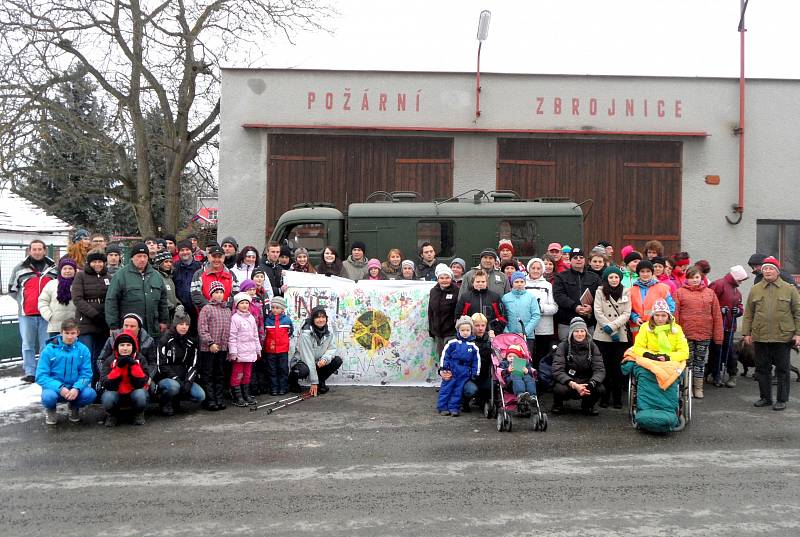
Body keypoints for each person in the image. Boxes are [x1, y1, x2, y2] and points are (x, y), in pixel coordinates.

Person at [741, 256, 800, 411]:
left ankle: (782, 399)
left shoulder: (790, 289)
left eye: (771, 268)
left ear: (777, 271)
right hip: (760, 336)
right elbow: (749, 313)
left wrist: (798, 334)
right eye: (765, 268)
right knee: (762, 369)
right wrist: (746, 332)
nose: (767, 271)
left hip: (783, 336)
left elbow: (798, 313)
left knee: (782, 369)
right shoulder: (755, 289)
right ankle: (765, 398)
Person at [622, 302, 689, 433]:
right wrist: (649, 355)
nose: (659, 318)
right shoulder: (646, 328)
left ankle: (667, 411)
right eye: (657, 315)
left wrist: (667, 357)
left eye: (663, 315)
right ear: (653, 316)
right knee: (645, 373)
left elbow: (684, 352)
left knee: (670, 375)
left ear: (668, 316)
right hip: (649, 360)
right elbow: (638, 347)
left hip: (670, 360)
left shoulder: (677, 329)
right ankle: (646, 410)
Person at [9, 240, 57, 382]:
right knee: (27, 344)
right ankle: (30, 372)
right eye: (34, 249)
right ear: (29, 251)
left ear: (44, 250)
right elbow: (12, 289)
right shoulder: (19, 268)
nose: (37, 252)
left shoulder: (53, 268)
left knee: (45, 345)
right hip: (26, 314)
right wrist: (23, 301)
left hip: (47, 314)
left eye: (39, 249)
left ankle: (42, 371)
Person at [674, 266, 723, 399]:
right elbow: (675, 314)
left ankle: (698, 388)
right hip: (685, 334)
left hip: (704, 333)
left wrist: (718, 336)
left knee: (700, 361)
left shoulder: (710, 293)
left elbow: (717, 315)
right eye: (691, 277)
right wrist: (675, 334)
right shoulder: (679, 293)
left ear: (701, 278)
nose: (694, 280)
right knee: (687, 362)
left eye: (697, 277)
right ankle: (687, 387)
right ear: (687, 279)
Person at [35, 318, 96, 425]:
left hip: (73, 389)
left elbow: (86, 374)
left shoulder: (83, 350)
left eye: (73, 333)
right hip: (54, 390)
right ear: (61, 332)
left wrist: (76, 388)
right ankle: (51, 409)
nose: (69, 336)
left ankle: (74, 406)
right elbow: (41, 376)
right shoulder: (49, 350)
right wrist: (60, 388)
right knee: (48, 397)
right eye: (66, 333)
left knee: (90, 394)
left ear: (78, 333)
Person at [106, 242, 169, 337]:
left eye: (145, 256)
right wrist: (113, 326)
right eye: (139, 256)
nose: (142, 259)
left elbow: (163, 301)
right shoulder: (121, 275)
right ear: (132, 257)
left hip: (152, 329)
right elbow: (111, 301)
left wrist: (163, 321)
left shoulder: (156, 276)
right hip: (128, 329)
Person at [592, 265, 631, 409]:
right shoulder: (600, 291)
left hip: (619, 335)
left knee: (618, 367)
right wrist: (609, 329)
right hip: (603, 334)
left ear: (620, 278)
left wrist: (613, 327)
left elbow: (627, 313)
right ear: (606, 279)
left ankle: (617, 397)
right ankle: (604, 397)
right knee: (604, 367)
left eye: (616, 277)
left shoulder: (626, 291)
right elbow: (598, 312)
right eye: (611, 277)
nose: (614, 280)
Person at [154, 306, 204, 416]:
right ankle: (165, 402)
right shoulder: (165, 340)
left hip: (183, 377)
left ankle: (176, 400)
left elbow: (194, 364)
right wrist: (176, 378)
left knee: (200, 395)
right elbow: (161, 365)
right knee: (173, 387)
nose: (184, 327)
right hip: (167, 378)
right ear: (175, 325)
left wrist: (188, 382)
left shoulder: (191, 341)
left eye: (186, 324)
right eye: (181, 324)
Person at [551, 317, 605, 416]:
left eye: (582, 331)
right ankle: (557, 404)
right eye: (576, 331)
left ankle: (588, 405)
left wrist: (591, 383)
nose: (579, 334)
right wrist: (573, 384)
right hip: (569, 381)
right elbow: (557, 370)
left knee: (600, 388)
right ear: (571, 332)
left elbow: (599, 369)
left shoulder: (592, 346)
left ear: (586, 332)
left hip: (586, 381)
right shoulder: (563, 346)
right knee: (559, 389)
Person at [72, 249, 111, 383]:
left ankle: (97, 383)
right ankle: (82, 384)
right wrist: (94, 314)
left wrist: (107, 316)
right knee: (86, 355)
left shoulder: (109, 277)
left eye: (100, 261)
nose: (98, 264)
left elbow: (111, 298)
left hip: (104, 322)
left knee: (101, 356)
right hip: (86, 321)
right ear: (89, 263)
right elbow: (77, 299)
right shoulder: (80, 276)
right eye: (94, 261)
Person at [708, 265, 748, 387]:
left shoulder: (737, 291)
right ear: (734, 277)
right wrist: (720, 310)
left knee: (730, 351)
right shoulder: (718, 285)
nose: (741, 282)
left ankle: (731, 374)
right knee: (716, 350)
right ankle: (715, 374)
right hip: (717, 325)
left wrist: (739, 311)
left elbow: (740, 306)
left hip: (730, 325)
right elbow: (709, 301)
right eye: (740, 280)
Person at [289, 306, 343, 396]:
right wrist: (314, 382)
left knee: (337, 360)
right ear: (312, 319)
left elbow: (332, 349)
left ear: (326, 318)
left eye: (323, 317)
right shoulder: (306, 333)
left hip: (318, 361)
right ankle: (292, 382)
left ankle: (320, 382)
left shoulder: (329, 332)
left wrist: (325, 359)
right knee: (303, 371)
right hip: (303, 361)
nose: (320, 320)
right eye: (317, 317)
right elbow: (308, 358)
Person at [101, 330, 150, 426]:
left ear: (133, 347)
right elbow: (105, 382)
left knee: (141, 395)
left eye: (128, 345)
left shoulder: (140, 359)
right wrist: (118, 368)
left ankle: (138, 413)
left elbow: (143, 381)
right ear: (117, 347)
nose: (125, 348)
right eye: (122, 345)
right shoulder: (110, 360)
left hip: (134, 392)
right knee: (108, 397)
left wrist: (134, 365)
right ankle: (112, 415)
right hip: (116, 392)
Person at [553, 247, 601, 341]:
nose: (578, 260)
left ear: (585, 260)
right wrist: (575, 307)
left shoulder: (595, 277)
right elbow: (559, 295)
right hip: (566, 322)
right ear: (570, 260)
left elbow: (600, 296)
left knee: (588, 350)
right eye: (575, 258)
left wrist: (591, 307)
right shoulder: (561, 276)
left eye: (581, 257)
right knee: (566, 350)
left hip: (588, 322)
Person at [197, 281, 231, 411]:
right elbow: (202, 328)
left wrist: (226, 346)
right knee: (208, 374)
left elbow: (229, 330)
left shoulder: (227, 310)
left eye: (221, 292)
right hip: (209, 348)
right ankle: (210, 400)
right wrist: (210, 342)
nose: (219, 295)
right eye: (216, 292)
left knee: (220, 374)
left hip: (222, 348)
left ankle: (219, 398)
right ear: (211, 294)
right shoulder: (206, 309)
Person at [436, 316, 480, 416]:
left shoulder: (473, 347)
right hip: (451, 371)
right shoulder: (452, 343)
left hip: (464, 373)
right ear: (458, 330)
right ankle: (442, 407)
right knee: (446, 390)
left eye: (467, 330)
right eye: (462, 330)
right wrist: (444, 368)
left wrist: (474, 373)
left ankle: (454, 408)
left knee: (458, 391)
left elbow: (476, 361)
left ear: (471, 331)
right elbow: (445, 356)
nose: (465, 332)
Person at [97, 312, 157, 385]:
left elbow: (153, 363)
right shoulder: (112, 339)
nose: (128, 328)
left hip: (139, 379)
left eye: (132, 326)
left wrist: (148, 377)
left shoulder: (148, 340)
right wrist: (106, 376)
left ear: (139, 328)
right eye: (126, 325)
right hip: (115, 379)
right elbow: (101, 360)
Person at [228, 292, 260, 407]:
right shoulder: (235, 318)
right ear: (237, 305)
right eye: (242, 303)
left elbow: (255, 335)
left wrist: (258, 348)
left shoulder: (251, 318)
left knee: (247, 374)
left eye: (247, 303)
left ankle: (246, 393)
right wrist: (233, 352)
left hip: (250, 352)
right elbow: (232, 337)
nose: (245, 305)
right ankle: (237, 396)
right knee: (238, 374)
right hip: (239, 353)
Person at [525, 258, 559, 368]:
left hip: (544, 329)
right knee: (523, 354)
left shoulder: (547, 285)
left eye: (538, 268)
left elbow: (554, 307)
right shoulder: (522, 283)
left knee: (542, 356)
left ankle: (541, 379)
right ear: (528, 269)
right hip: (525, 327)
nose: (535, 271)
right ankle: (523, 379)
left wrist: (539, 308)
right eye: (533, 268)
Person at [629, 260, 674, 339]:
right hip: (638, 329)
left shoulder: (663, 288)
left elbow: (671, 307)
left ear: (652, 272)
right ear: (638, 273)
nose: (645, 274)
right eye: (642, 271)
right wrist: (635, 318)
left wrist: (661, 319)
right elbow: (627, 309)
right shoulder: (631, 291)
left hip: (658, 328)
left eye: (648, 271)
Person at [455, 270, 507, 334]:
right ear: (473, 283)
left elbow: (503, 317)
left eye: (483, 281)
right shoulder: (465, 297)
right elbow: (458, 317)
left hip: (490, 334)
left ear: (486, 283)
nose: (480, 284)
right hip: (470, 336)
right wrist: (467, 331)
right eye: (478, 281)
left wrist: (495, 331)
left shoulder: (495, 297)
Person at [502, 271, 541, 358]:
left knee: (524, 360)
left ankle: (523, 372)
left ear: (525, 283)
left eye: (521, 282)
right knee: (510, 359)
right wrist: (507, 332)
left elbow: (536, 316)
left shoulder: (531, 297)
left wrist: (525, 332)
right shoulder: (505, 298)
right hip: (509, 336)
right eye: (516, 282)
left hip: (527, 336)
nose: (519, 284)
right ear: (512, 283)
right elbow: (502, 316)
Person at [190, 244, 239, 310]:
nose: (216, 259)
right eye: (214, 256)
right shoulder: (199, 274)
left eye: (219, 257)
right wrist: (210, 308)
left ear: (223, 258)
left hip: (226, 314)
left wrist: (225, 306)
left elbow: (236, 294)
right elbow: (195, 295)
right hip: (206, 315)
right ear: (209, 257)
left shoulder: (231, 274)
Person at [38, 257, 77, 336]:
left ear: (75, 270)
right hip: (55, 327)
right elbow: (42, 301)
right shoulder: (51, 284)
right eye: (64, 268)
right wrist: (49, 316)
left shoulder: (79, 284)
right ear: (60, 270)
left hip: (74, 327)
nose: (67, 271)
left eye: (70, 268)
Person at [263, 296, 294, 396]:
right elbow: (265, 334)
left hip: (282, 350)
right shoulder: (267, 320)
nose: (275, 310)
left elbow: (290, 332)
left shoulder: (287, 320)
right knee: (272, 370)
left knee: (283, 369)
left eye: (277, 308)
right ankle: (274, 388)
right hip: (270, 350)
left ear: (282, 309)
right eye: (273, 307)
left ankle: (283, 387)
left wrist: (283, 341)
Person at [428, 264, 459, 359]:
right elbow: (430, 311)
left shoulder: (456, 291)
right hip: (438, 332)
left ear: (451, 278)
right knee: (442, 358)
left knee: (452, 357)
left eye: (447, 277)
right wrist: (431, 329)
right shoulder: (433, 291)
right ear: (438, 279)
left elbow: (458, 311)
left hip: (451, 331)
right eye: (441, 278)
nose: (444, 280)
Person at [173, 240, 202, 330]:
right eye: (182, 250)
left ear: (191, 251)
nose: (185, 252)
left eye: (187, 249)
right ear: (178, 252)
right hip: (180, 309)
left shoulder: (199, 267)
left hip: (196, 308)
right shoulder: (174, 267)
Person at [153, 250, 178, 319]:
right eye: (166, 262)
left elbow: (173, 295)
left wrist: (179, 305)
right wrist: (172, 307)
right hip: (161, 315)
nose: (169, 264)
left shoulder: (169, 277)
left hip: (170, 315)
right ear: (159, 263)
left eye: (170, 262)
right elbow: (158, 295)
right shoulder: (155, 276)